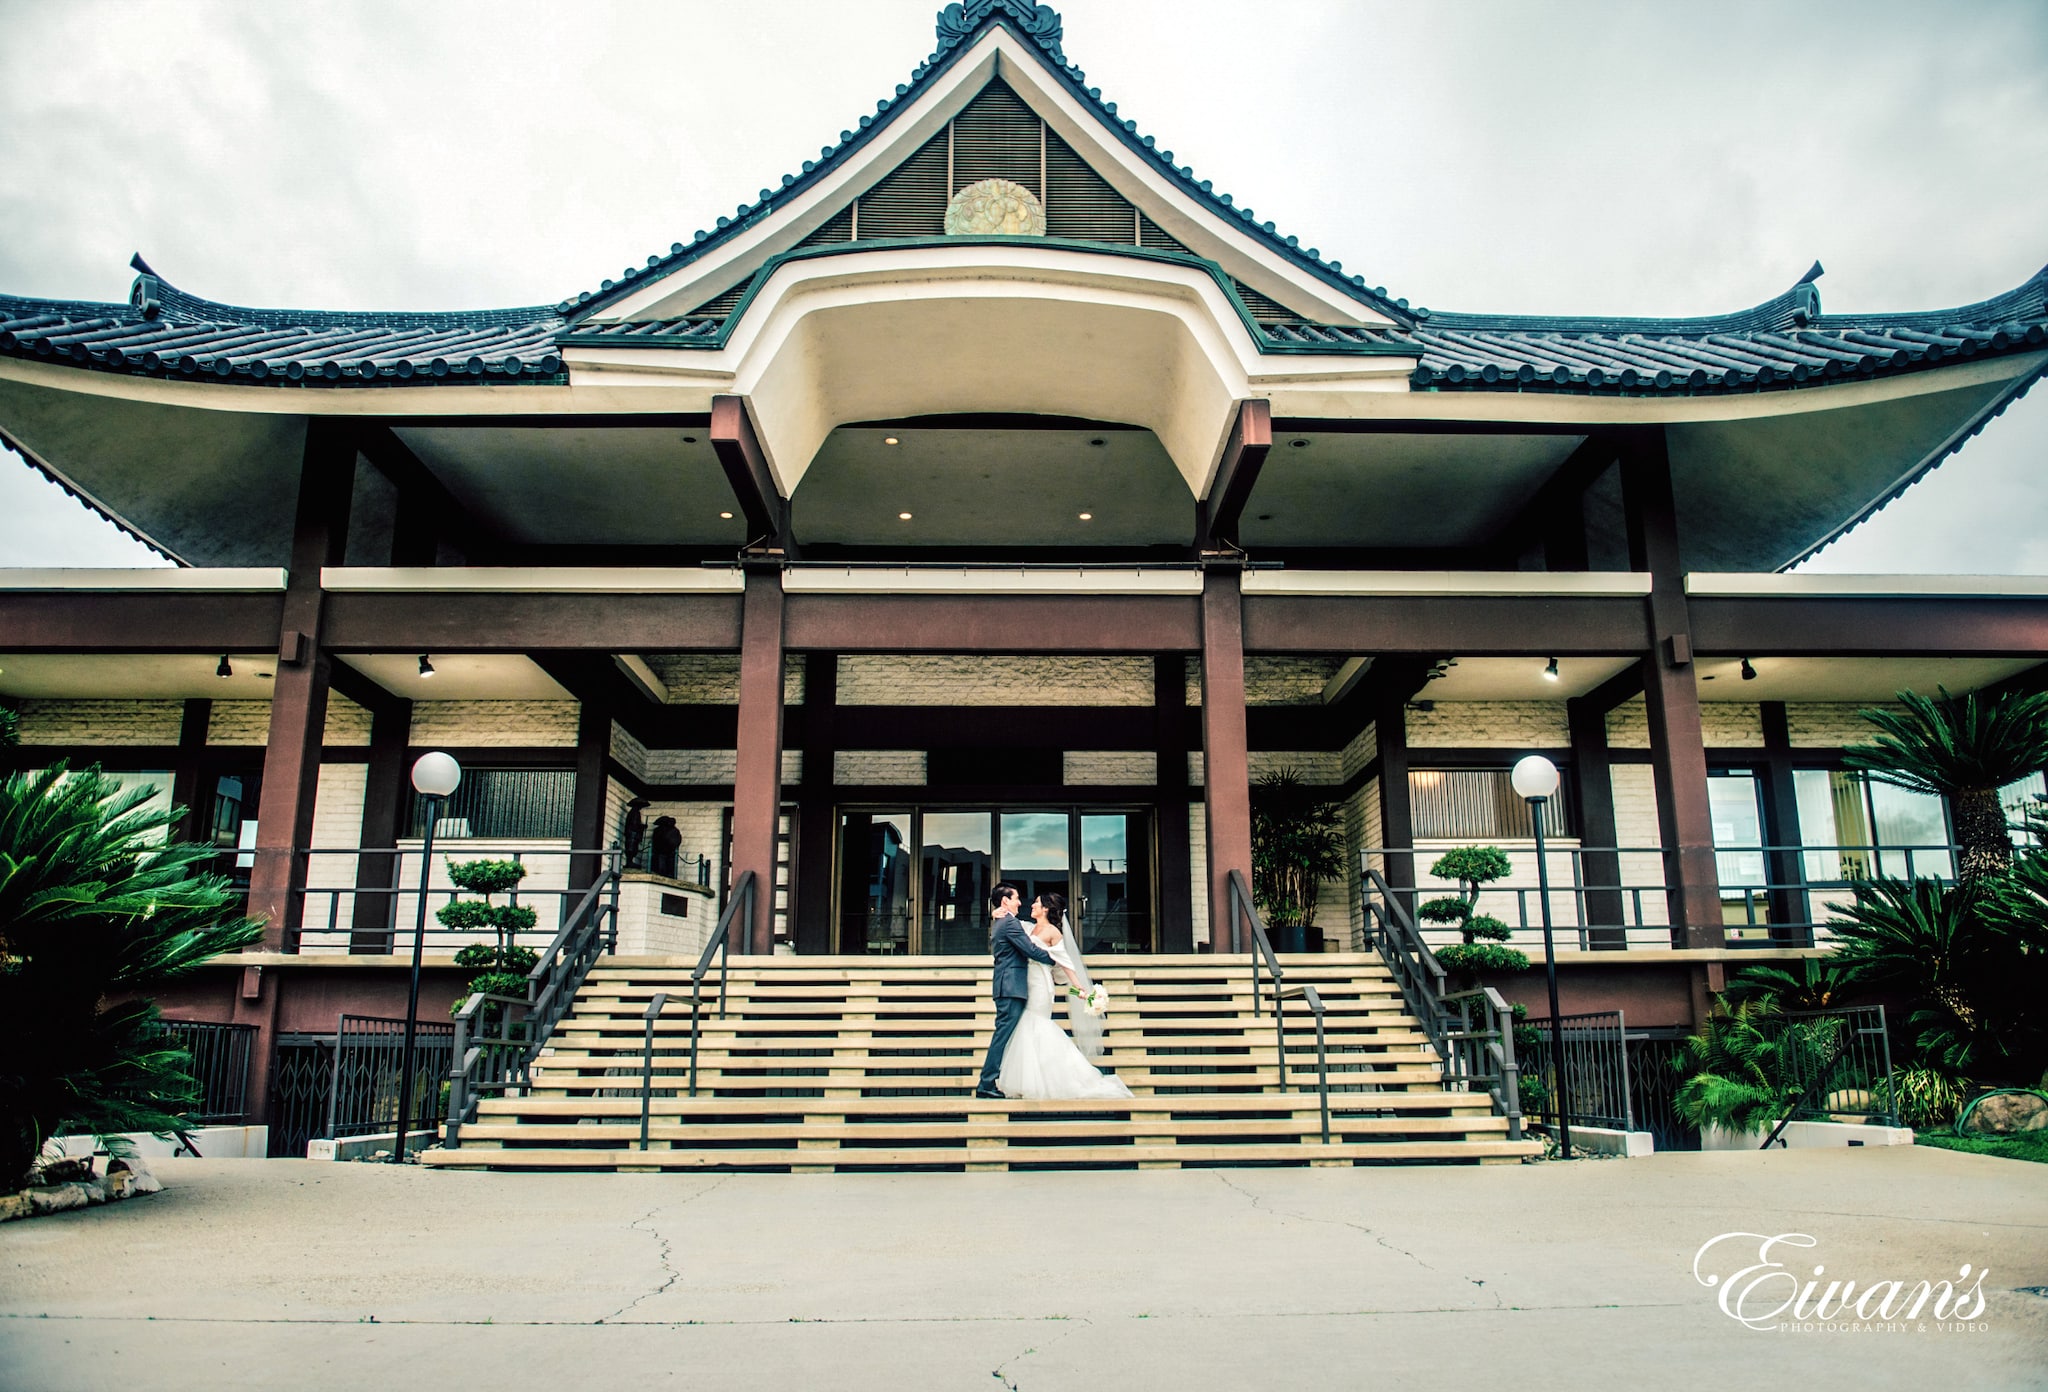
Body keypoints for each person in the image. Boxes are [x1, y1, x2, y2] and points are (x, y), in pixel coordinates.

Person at [994, 892, 1132, 1100]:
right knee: (1027, 1028)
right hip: (1025, 984)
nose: (1032, 905)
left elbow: (1066, 964)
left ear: (1046, 909)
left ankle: (1044, 1080)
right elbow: (1011, 923)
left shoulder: (1052, 933)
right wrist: (997, 913)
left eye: (1037, 903)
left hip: (1040, 985)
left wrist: (1081, 990)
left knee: (1035, 1025)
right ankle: (1029, 1080)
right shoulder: (1030, 928)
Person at [974, 882, 1053, 1099]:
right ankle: (986, 1083)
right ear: (1005, 901)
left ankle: (992, 1081)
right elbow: (1029, 950)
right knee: (1002, 1036)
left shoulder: (1003, 920)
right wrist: (1055, 958)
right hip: (1010, 987)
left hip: (1008, 986)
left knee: (1005, 1035)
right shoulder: (1009, 923)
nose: (1020, 902)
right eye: (1016, 898)